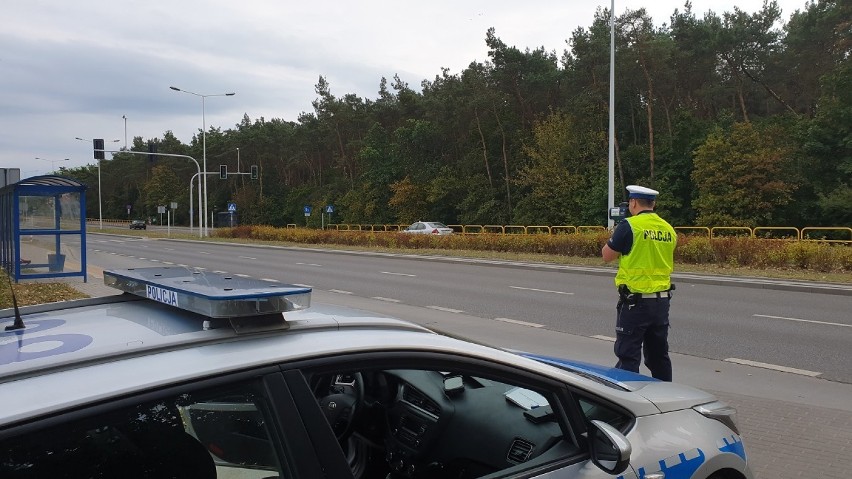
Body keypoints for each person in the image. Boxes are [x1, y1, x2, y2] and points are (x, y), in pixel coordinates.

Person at [601, 185, 677, 381]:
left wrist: (616, 231)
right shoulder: (668, 229)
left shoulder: (629, 226)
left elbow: (607, 256)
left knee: (628, 356)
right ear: (654, 204)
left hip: (635, 302)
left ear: (633, 202)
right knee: (659, 356)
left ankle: (629, 401)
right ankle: (665, 396)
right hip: (661, 303)